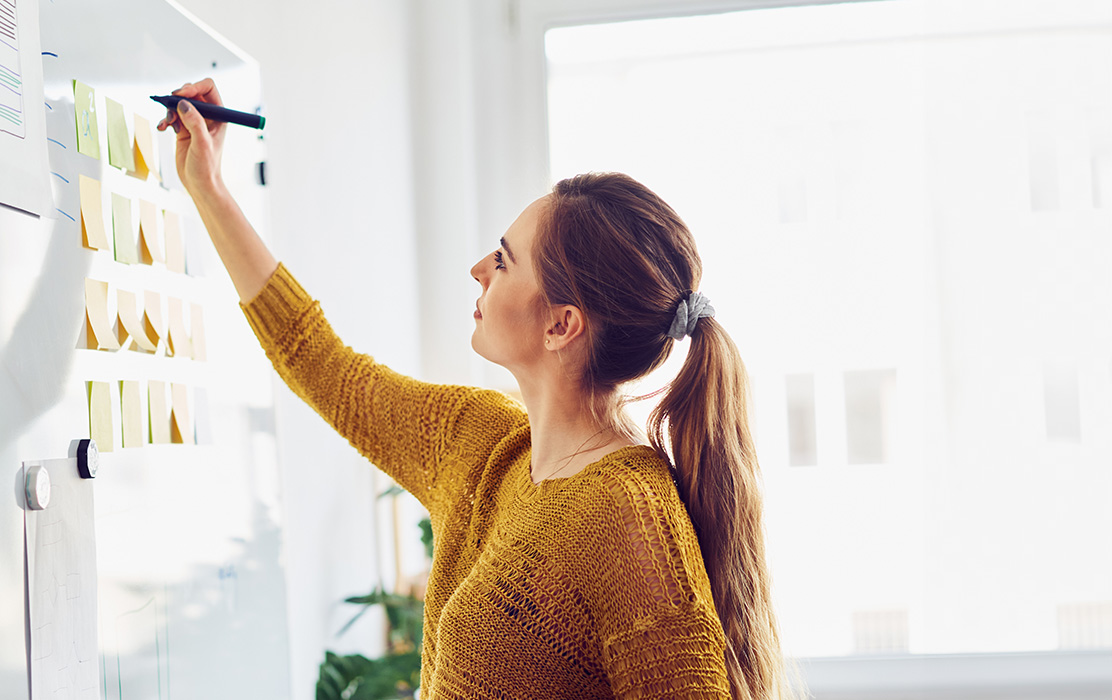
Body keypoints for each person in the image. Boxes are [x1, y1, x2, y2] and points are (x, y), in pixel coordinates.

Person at [158, 79, 785, 700]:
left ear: (561, 324)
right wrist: (209, 189)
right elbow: (322, 363)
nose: (478, 270)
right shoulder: (480, 440)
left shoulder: (627, 517)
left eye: (505, 260)